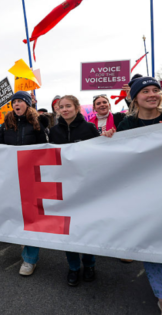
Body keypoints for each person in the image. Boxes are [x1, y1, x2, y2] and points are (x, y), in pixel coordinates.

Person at [102, 77, 162, 313]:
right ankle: (160, 292)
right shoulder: (127, 125)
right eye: (145, 91)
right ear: (135, 97)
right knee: (153, 243)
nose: (152, 94)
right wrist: (109, 141)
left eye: (156, 90)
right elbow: (118, 158)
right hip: (144, 195)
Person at [49, 95, 99, 286]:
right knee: (67, 229)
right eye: (61, 107)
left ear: (77, 107)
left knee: (85, 226)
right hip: (63, 187)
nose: (65, 109)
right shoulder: (53, 131)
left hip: (85, 186)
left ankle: (90, 264)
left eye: (68, 106)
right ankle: (73, 267)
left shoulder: (89, 128)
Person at [0, 91, 48, 276]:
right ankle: (25, 240)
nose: (16, 104)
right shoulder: (5, 125)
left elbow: (45, 150)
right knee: (17, 213)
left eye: (20, 101)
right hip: (12, 177)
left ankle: (30, 259)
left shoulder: (38, 123)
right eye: (14, 102)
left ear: (27, 104)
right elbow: (0, 148)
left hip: (32, 177)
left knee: (30, 216)